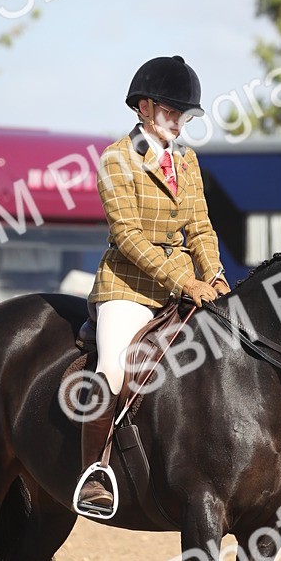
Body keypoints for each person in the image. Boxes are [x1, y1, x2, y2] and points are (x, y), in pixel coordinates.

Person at [73, 55, 230, 518]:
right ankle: (95, 472)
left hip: (187, 285)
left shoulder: (187, 161)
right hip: (128, 286)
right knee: (115, 368)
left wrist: (214, 275)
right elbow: (127, 236)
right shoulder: (116, 160)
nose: (180, 124)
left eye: (185, 115)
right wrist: (184, 280)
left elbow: (200, 226)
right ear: (145, 108)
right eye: (172, 113)